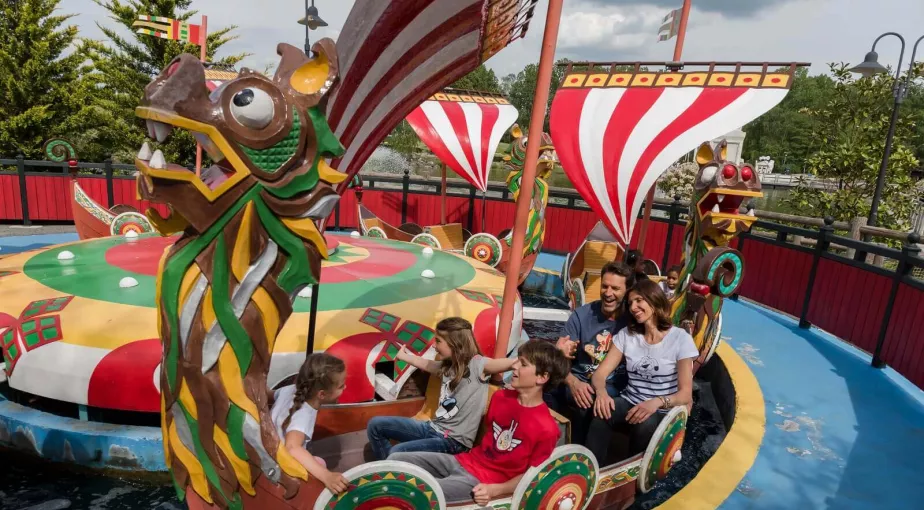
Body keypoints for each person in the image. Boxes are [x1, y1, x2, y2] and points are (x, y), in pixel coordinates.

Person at [391, 340, 569, 505]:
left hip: (482, 483)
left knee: (413, 491)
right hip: (463, 460)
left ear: (542, 377)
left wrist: (495, 490)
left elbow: (533, 477)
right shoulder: (501, 397)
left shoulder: (547, 429)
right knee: (396, 460)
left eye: (522, 364)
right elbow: (489, 433)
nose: (514, 366)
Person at [367, 317, 516, 459]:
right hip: (433, 428)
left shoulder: (477, 365)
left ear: (455, 344)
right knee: (375, 425)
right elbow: (425, 363)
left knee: (396, 452)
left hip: (454, 441)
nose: (434, 345)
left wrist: (518, 361)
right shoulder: (447, 366)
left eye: (438, 341)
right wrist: (404, 356)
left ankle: (391, 471)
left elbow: (500, 364)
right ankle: (390, 470)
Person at [585, 279, 699, 463]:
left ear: (654, 300)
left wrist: (656, 403)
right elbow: (600, 374)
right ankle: (592, 469)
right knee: (602, 412)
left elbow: (685, 394)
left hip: (662, 408)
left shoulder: (680, 338)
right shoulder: (627, 335)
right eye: (630, 303)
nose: (633, 307)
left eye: (639, 300)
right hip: (631, 400)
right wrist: (602, 393)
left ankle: (631, 474)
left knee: (645, 424)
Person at [547, 261, 634, 444]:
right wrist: (572, 380)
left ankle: (579, 456)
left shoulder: (633, 321)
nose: (608, 293)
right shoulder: (581, 315)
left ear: (627, 291)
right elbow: (559, 357)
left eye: (615, 289)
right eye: (605, 286)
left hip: (612, 386)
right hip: (578, 380)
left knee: (588, 402)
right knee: (545, 388)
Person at [270, 353, 349, 495]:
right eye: (341, 386)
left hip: (270, 452)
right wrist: (326, 475)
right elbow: (292, 447)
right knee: (320, 463)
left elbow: (267, 395)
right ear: (322, 395)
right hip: (281, 464)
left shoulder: (290, 390)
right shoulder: (304, 413)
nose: (345, 387)